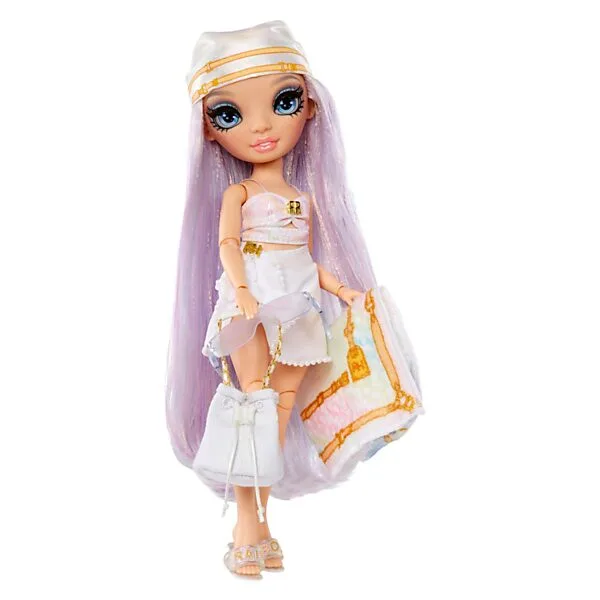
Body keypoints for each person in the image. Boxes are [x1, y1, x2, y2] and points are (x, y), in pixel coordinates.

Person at [165, 20, 422, 578]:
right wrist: (240, 289)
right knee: (251, 409)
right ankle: (245, 529)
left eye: (283, 103)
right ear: (209, 129)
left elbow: (307, 259)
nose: (260, 127)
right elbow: (228, 246)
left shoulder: (302, 197)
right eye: (229, 114)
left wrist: (343, 289)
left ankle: (260, 525)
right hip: (253, 310)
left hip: (298, 309)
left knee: (276, 421)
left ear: (310, 109)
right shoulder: (240, 192)